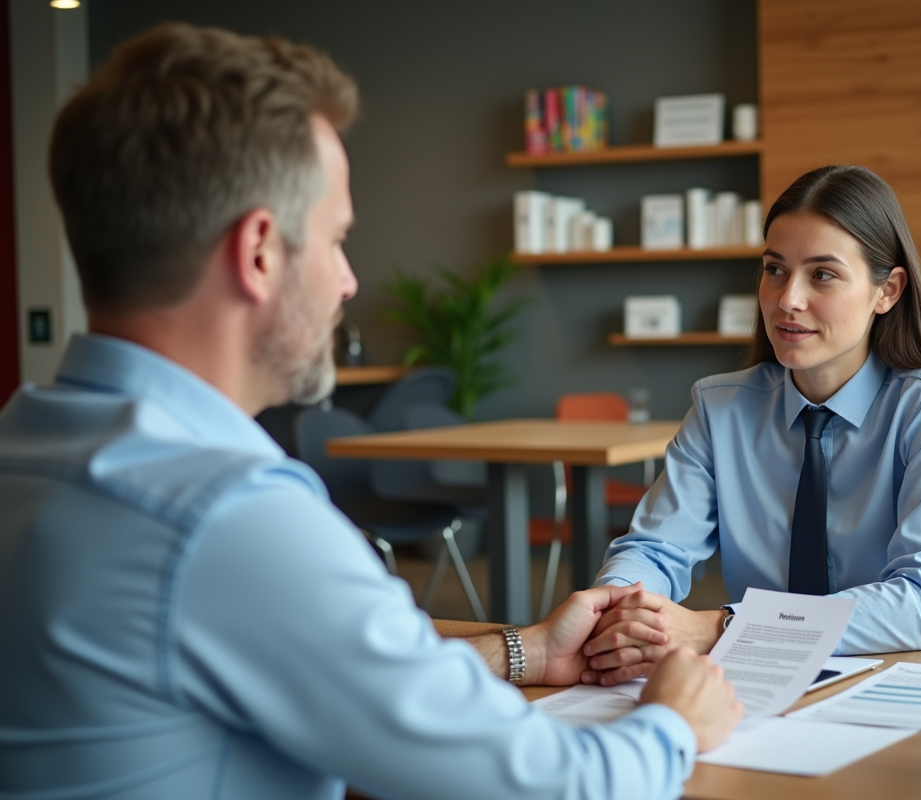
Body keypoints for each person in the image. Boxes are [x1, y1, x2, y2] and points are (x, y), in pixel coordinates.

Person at [0, 24, 741, 800]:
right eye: (336, 239)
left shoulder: (29, 445)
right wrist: (674, 724)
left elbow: (345, 677)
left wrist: (522, 652)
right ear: (258, 252)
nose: (349, 282)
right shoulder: (229, 518)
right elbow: (549, 789)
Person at [582, 165, 921, 686]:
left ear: (888, 291)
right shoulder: (721, 409)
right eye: (775, 269)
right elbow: (654, 549)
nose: (788, 299)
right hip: (772, 680)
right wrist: (622, 609)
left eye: (822, 274)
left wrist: (723, 627)